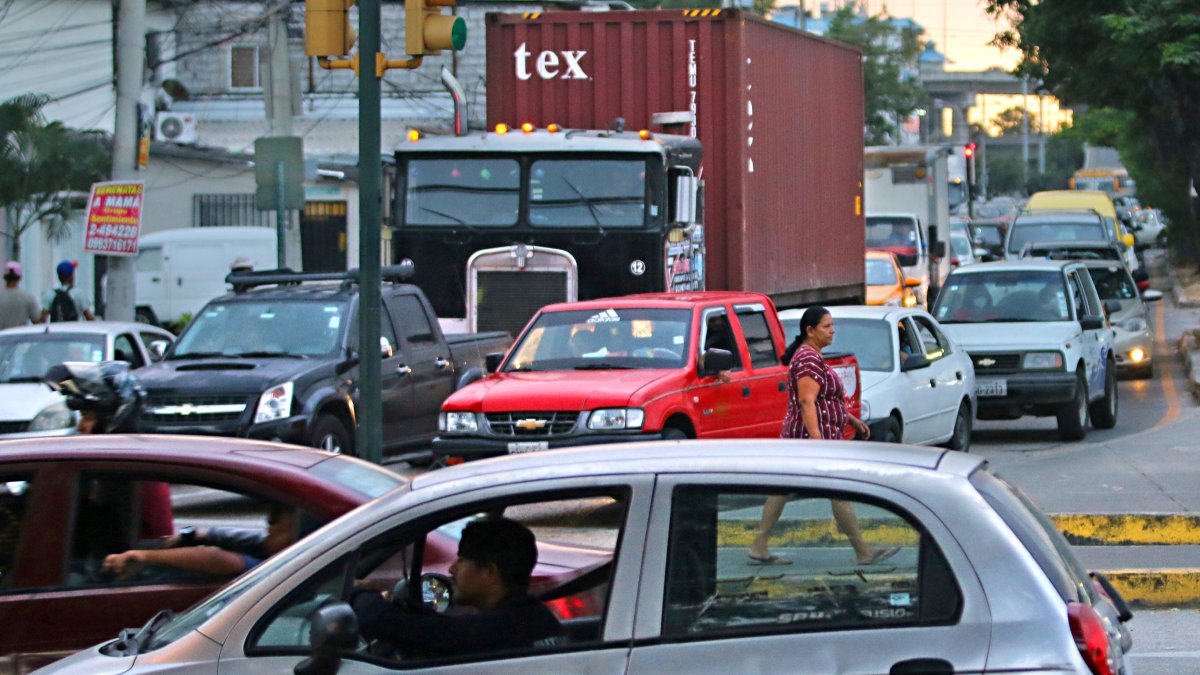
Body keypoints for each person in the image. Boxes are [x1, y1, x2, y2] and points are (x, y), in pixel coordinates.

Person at [749, 307, 899, 566]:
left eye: (832, 325)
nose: (833, 331)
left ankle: (759, 545)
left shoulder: (812, 356)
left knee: (782, 489)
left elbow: (822, 399)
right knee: (836, 491)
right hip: (809, 439)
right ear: (810, 330)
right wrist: (818, 443)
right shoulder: (807, 358)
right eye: (826, 326)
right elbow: (807, 402)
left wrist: (849, 419)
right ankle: (863, 551)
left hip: (808, 438)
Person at [350, 517, 564, 658]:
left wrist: (356, 591)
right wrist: (399, 604)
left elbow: (384, 622)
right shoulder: (534, 619)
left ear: (489, 573)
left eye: (461, 561)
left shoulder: (498, 630)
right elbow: (448, 630)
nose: (452, 569)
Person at [46, 361, 173, 538]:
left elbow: (158, 539)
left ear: (110, 420)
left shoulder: (139, 478)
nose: (80, 427)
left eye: (87, 417)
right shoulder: (93, 474)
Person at [100, 505, 302, 580]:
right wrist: (194, 535)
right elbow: (232, 537)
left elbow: (218, 559)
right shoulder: (266, 546)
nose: (270, 529)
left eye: (281, 529)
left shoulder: (279, 569)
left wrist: (145, 556)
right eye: (271, 522)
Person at [0, 261, 43, 330]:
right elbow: (37, 320)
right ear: (20, 277)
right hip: (20, 338)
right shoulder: (28, 297)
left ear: (4, 277)